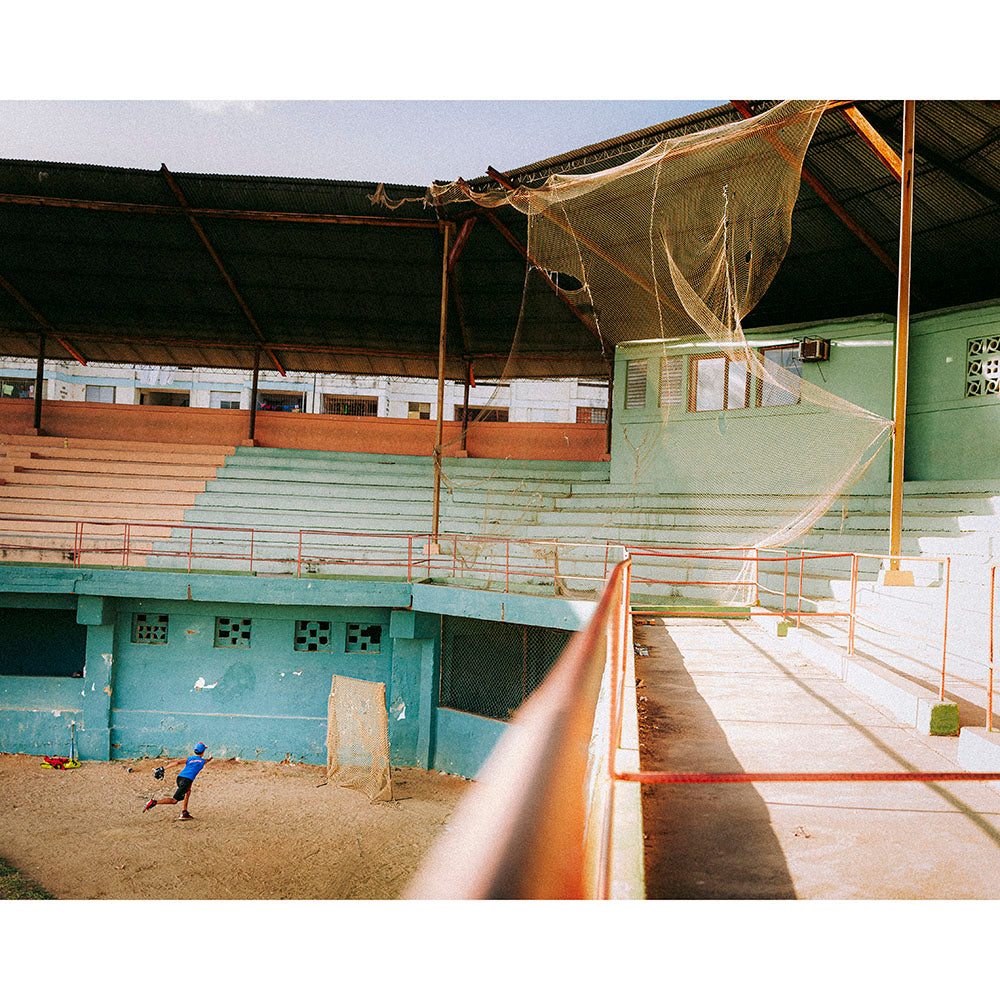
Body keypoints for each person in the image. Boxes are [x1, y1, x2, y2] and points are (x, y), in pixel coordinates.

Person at [143, 742, 212, 820]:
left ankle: (184, 813)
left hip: (180, 778)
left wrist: (163, 768)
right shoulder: (202, 761)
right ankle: (154, 802)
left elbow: (177, 763)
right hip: (186, 781)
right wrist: (210, 759)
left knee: (188, 792)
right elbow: (205, 761)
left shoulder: (190, 759)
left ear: (194, 751)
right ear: (203, 752)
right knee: (174, 800)